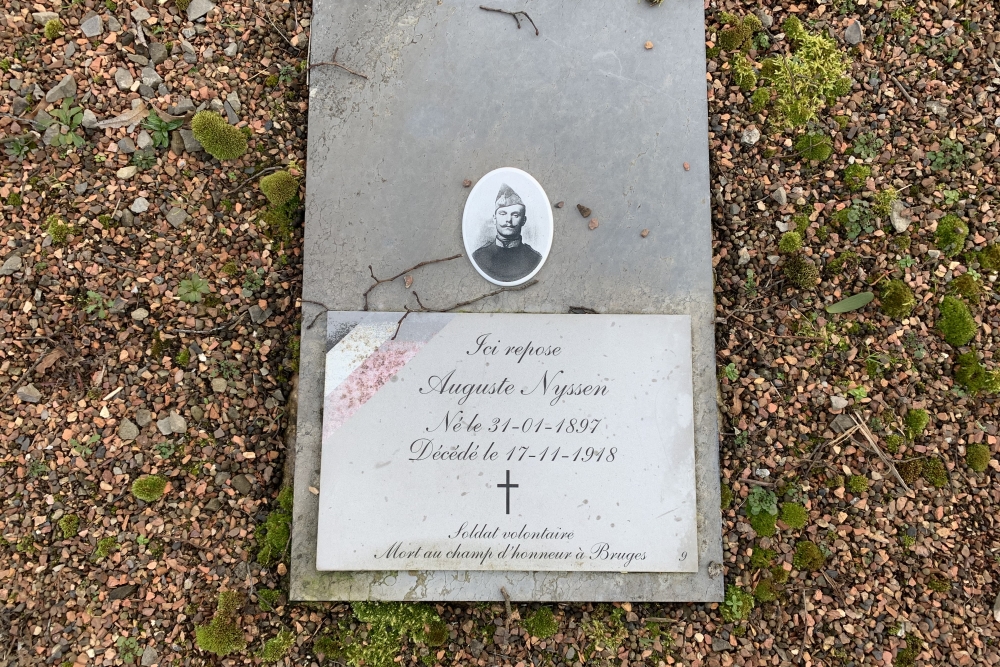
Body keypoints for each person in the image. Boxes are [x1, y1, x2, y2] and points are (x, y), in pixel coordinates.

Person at [472, 184, 543, 283]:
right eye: (502, 214)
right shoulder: (478, 256)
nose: (508, 220)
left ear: (523, 220)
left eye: (515, 215)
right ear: (494, 218)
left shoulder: (534, 258)